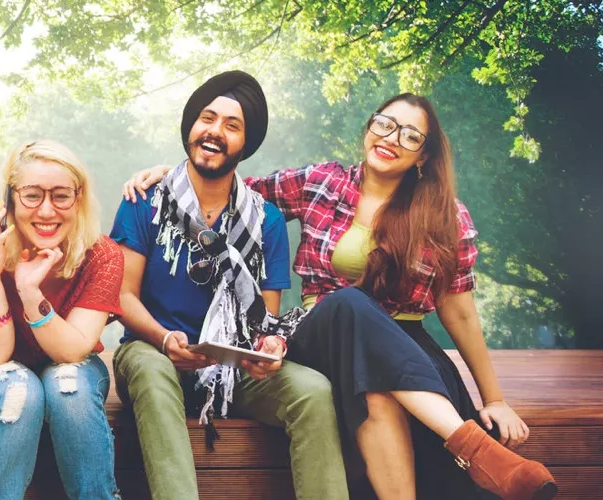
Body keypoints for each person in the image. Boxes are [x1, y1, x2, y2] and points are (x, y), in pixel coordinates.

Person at [122, 93, 557, 500]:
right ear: (369, 128)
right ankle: (475, 448)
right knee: (350, 303)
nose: (391, 139)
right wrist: (170, 175)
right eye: (385, 125)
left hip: (403, 347)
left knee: (375, 384)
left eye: (409, 136)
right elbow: (228, 186)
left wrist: (494, 399)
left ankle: (463, 458)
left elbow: (459, 313)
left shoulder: (446, 215)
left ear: (424, 155)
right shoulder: (321, 182)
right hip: (320, 332)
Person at [110, 70, 348, 500]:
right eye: (207, 118)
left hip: (230, 368)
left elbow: (265, 319)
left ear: (246, 143)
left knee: (313, 390)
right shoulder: (145, 201)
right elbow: (122, 296)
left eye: (232, 125)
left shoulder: (266, 220)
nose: (215, 131)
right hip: (153, 351)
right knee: (150, 367)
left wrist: (267, 349)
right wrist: (165, 339)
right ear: (190, 126)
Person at [0, 140, 124, 499]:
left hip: (67, 361)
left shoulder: (102, 255)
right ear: (10, 198)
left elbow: (72, 351)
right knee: (18, 389)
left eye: (61, 196)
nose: (47, 210)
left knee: (69, 388)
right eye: (32, 196)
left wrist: (29, 291)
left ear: (79, 198)